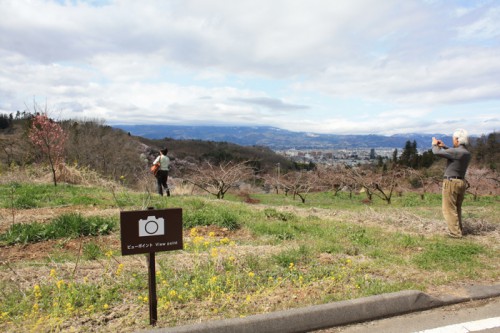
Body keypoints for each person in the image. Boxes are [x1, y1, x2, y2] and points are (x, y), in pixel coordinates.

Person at [432, 129, 471, 238]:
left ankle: (455, 233)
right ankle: (459, 230)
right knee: (457, 208)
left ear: (458, 140)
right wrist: (444, 146)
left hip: (451, 182)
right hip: (461, 182)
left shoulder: (456, 152)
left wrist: (435, 145)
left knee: (448, 208)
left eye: (454, 139)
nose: (453, 141)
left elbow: (436, 152)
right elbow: (454, 153)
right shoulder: (466, 153)